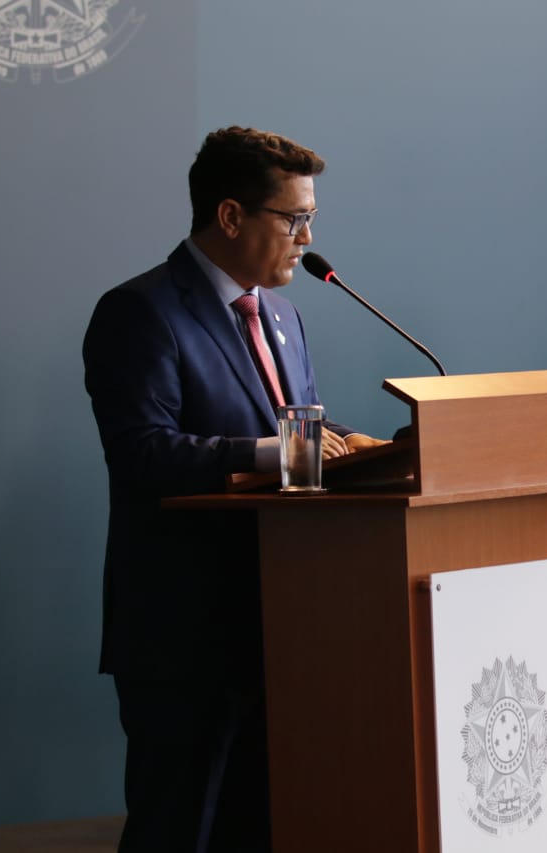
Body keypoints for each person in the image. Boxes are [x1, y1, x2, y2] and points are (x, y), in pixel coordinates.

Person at [82, 126, 386, 853]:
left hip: (283, 614)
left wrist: (359, 445)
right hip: (185, 626)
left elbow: (287, 420)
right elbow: (142, 452)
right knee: (179, 825)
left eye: (311, 217)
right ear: (229, 216)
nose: (308, 237)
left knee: (264, 824)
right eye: (294, 218)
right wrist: (281, 450)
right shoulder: (141, 310)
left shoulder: (281, 311)